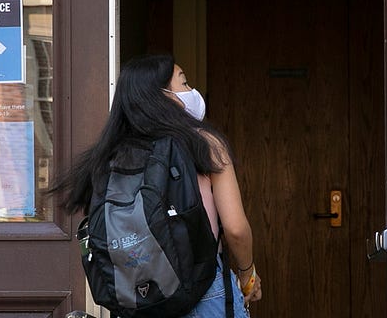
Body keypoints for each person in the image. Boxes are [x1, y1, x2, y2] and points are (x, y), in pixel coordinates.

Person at [50, 54, 262, 317]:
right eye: (183, 84)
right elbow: (236, 228)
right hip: (206, 289)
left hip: (140, 300)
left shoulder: (111, 155)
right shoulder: (205, 145)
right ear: (162, 97)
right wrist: (247, 273)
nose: (191, 91)